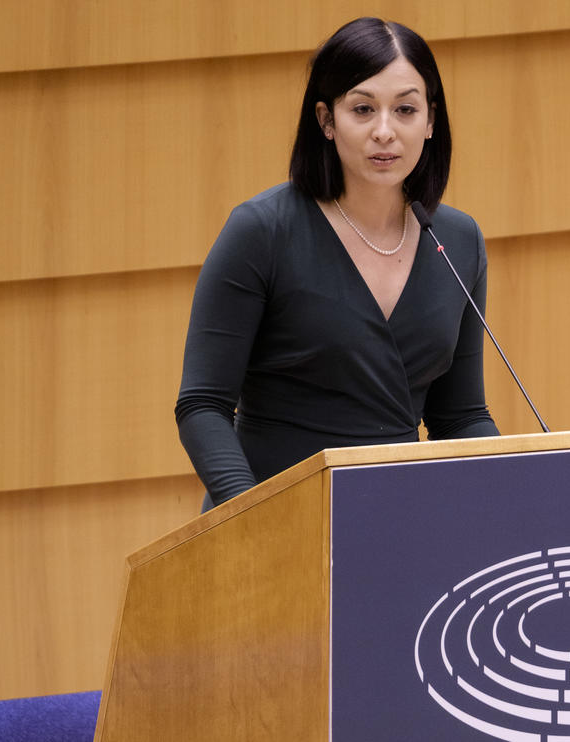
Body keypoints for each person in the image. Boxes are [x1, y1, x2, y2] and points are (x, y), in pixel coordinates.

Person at [175, 17, 499, 512]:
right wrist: (251, 513)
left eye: (406, 109)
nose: (384, 131)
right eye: (363, 109)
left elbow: (459, 416)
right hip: (273, 522)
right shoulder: (262, 231)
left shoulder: (457, 240)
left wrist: (515, 486)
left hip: (400, 523)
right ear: (326, 121)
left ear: (430, 121)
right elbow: (202, 406)